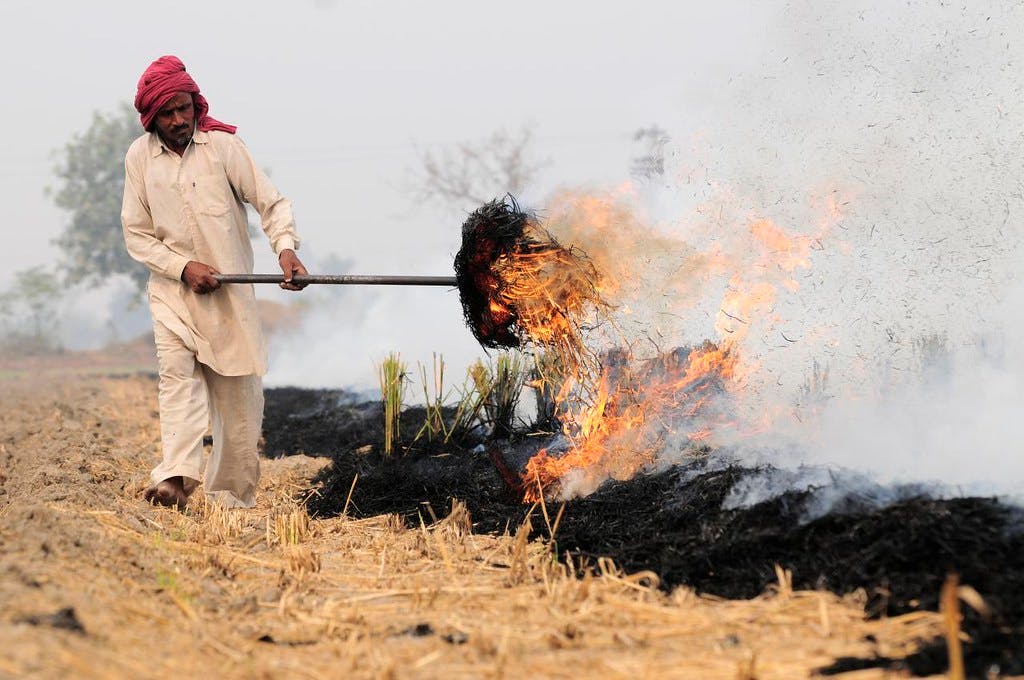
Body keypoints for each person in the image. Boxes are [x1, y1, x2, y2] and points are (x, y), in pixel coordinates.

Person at [121, 55, 307, 509]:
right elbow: (137, 235)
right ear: (152, 117)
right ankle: (174, 479)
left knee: (239, 408)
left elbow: (271, 203)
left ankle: (228, 499)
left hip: (229, 302)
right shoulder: (139, 159)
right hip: (174, 295)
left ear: (195, 103)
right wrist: (184, 268)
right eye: (167, 113)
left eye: (184, 108)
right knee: (177, 380)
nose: (179, 119)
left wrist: (284, 250)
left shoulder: (223, 148)